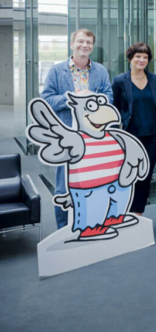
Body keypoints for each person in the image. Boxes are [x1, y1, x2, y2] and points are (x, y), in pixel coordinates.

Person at [41, 28, 113, 229]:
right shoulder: (57, 70)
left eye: (88, 42)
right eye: (80, 41)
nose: (85, 45)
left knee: (92, 182)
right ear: (72, 44)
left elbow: (109, 97)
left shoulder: (100, 71)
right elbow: (46, 99)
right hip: (65, 137)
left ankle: (89, 225)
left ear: (92, 46)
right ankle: (64, 230)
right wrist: (71, 98)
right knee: (64, 185)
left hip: (92, 138)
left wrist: (94, 99)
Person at [111, 42, 156, 216]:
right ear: (130, 59)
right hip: (130, 137)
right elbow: (115, 108)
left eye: (145, 57)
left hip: (153, 136)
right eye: (138, 57)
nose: (142, 60)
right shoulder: (120, 81)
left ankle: (138, 213)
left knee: (145, 175)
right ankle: (123, 211)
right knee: (129, 175)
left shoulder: (155, 79)